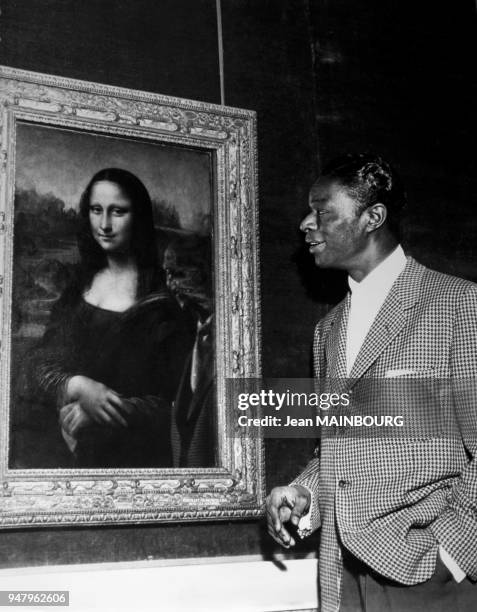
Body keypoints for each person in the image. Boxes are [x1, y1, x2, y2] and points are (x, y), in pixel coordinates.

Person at [266, 154, 477, 611]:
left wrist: (452, 556)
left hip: (430, 579)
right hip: (342, 576)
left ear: (372, 217)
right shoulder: (328, 331)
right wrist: (303, 494)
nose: (306, 223)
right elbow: (338, 449)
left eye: (322, 210)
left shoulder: (459, 306)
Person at [33, 168, 192, 468]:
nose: (104, 224)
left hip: (136, 458)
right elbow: (39, 363)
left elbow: (179, 403)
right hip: (65, 455)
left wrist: (102, 410)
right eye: (96, 210)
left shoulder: (165, 297)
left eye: (117, 211)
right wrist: (76, 386)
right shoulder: (79, 285)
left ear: (139, 218)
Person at [163, 235, 215, 467]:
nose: (170, 285)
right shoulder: (178, 339)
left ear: (207, 273)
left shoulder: (240, 341)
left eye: (179, 274)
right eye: (167, 274)